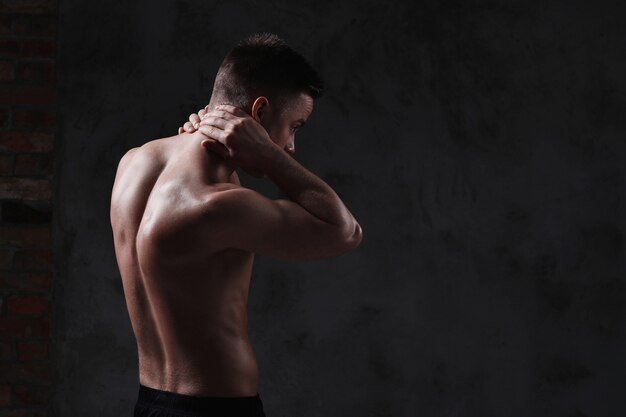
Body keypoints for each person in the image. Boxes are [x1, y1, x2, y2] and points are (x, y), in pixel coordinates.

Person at [110, 32, 363, 417]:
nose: (291, 146)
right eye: (295, 125)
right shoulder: (218, 205)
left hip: (148, 404)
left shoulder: (133, 163)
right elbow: (345, 231)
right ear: (259, 113)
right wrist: (269, 157)